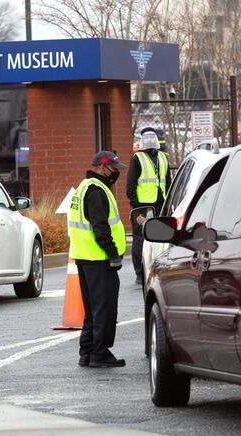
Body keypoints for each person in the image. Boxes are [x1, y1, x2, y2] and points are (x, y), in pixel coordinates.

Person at [69, 151, 128, 368]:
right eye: (114, 169)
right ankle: (100, 353)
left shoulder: (83, 187)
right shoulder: (96, 191)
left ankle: (87, 351)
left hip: (85, 258)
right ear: (103, 168)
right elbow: (100, 227)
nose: (116, 174)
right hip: (99, 258)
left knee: (93, 309)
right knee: (104, 308)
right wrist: (113, 253)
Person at [127, 129, 172, 285]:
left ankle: (159, 269)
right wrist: (136, 206)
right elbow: (130, 185)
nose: (150, 140)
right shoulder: (137, 159)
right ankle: (140, 273)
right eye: (146, 138)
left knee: (160, 238)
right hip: (142, 206)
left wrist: (170, 202)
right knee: (140, 238)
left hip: (161, 204)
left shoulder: (163, 158)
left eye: (152, 137)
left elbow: (169, 182)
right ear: (141, 141)